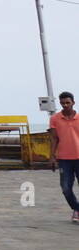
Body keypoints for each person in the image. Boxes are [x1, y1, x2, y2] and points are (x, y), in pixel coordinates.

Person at [48, 91, 79, 222]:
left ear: (73, 102)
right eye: (63, 103)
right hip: (64, 159)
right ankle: (77, 208)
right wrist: (52, 157)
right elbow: (54, 139)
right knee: (66, 188)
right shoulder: (55, 118)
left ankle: (77, 212)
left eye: (68, 102)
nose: (65, 105)